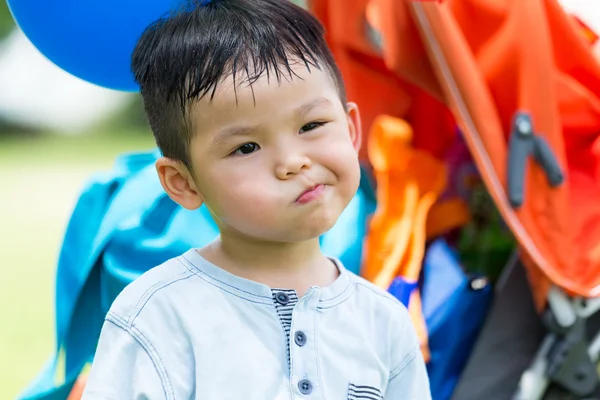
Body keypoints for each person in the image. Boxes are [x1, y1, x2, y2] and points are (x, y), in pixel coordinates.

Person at [82, 0, 431, 398]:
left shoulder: (382, 321)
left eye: (311, 125)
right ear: (183, 182)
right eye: (246, 148)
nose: (293, 162)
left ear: (352, 129)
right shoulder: (158, 315)